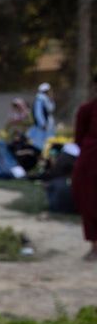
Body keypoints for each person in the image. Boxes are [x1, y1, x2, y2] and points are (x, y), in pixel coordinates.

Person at [72, 82, 97, 260]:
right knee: (91, 202)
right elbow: (79, 138)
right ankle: (95, 245)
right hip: (91, 161)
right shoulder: (87, 109)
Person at [30, 82, 56, 150]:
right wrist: (43, 124)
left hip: (48, 125)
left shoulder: (46, 99)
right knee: (40, 143)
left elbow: (51, 108)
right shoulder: (40, 100)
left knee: (48, 142)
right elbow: (38, 113)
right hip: (43, 126)